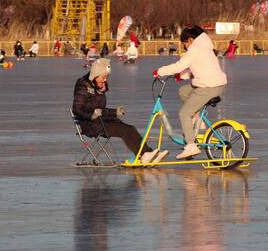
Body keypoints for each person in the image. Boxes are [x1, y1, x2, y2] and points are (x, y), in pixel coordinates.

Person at [72, 58, 168, 163]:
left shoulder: (97, 85)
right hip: (89, 124)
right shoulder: (83, 86)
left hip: (100, 121)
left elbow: (100, 110)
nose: (105, 80)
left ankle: (147, 153)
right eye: (103, 77)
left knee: (130, 128)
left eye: (106, 77)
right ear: (95, 75)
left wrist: (115, 112)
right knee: (124, 130)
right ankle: (144, 155)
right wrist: (91, 115)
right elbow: (77, 109)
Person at [154, 25, 227, 159]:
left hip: (208, 87)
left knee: (184, 113)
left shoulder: (195, 49)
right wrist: (181, 76)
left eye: (184, 44)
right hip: (214, 84)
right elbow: (199, 67)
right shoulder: (205, 47)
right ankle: (198, 117)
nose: (185, 47)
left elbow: (180, 65)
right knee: (184, 91)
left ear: (190, 40)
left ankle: (191, 145)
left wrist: (159, 71)